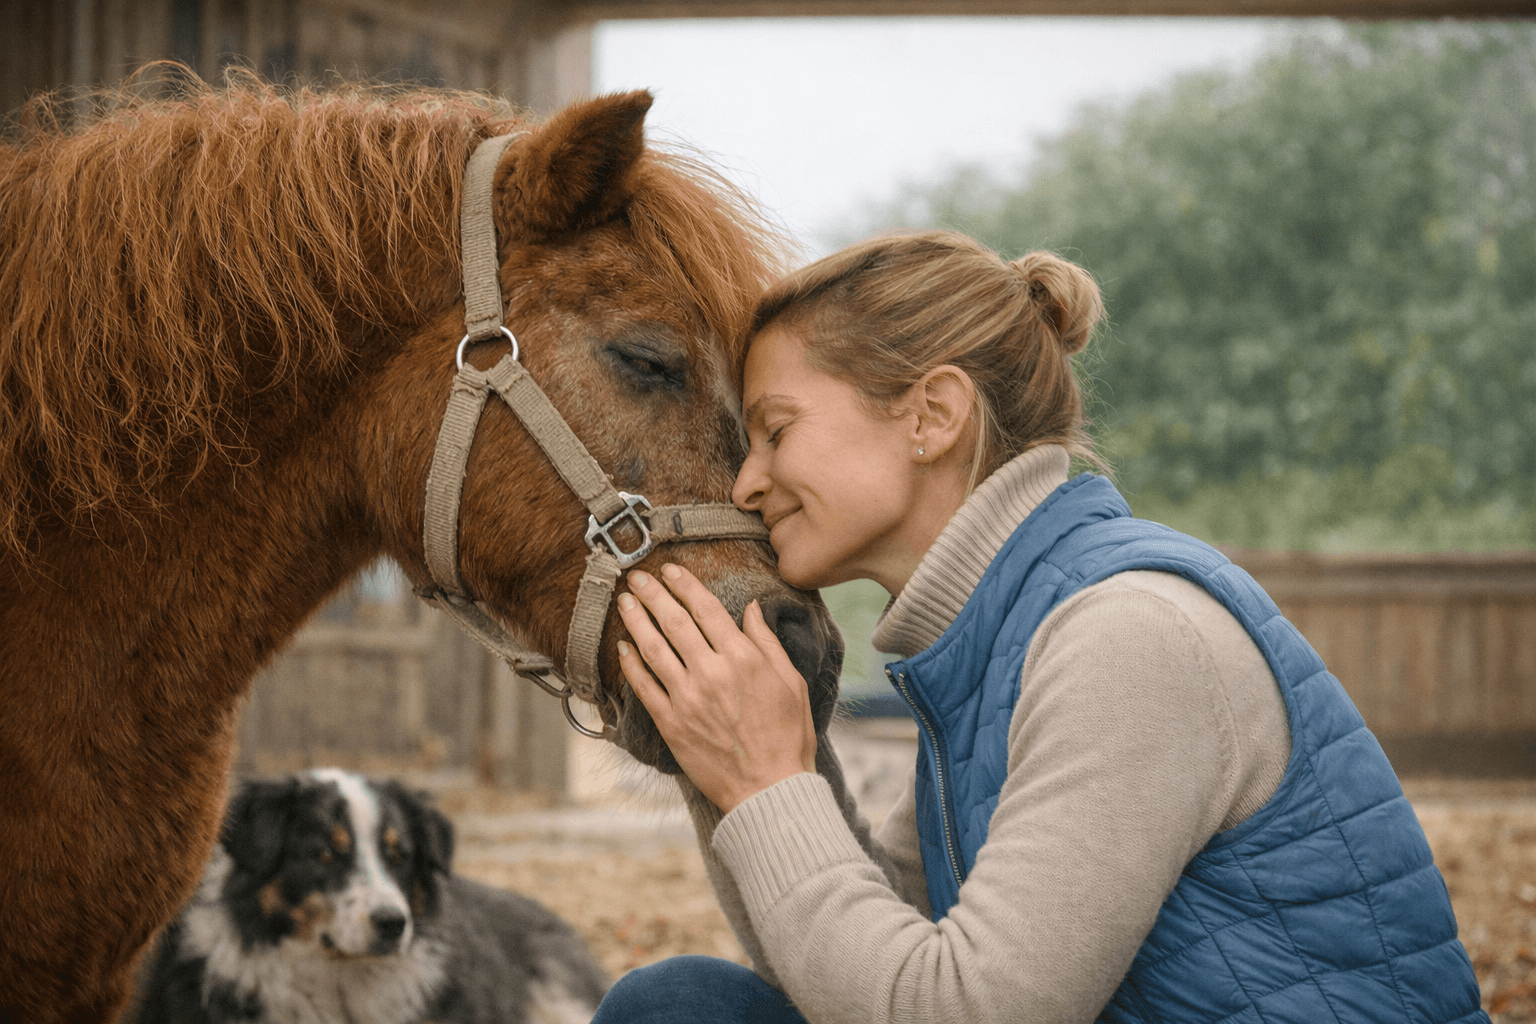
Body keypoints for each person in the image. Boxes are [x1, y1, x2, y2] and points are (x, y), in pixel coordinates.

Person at [592, 230, 1487, 1024]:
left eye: (776, 431)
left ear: (933, 415)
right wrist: (721, 758)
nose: (747, 483)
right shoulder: (991, 642)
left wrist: (765, 780)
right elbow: (866, 956)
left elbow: (962, 1010)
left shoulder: (1126, 636)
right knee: (681, 1007)